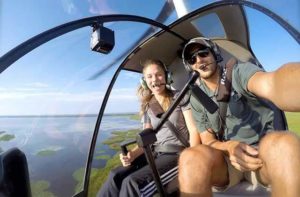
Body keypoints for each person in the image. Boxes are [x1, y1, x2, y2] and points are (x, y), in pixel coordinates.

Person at [178, 37, 300, 197]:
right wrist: (229, 147)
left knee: (284, 144)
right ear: (190, 67)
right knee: (190, 157)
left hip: (262, 153)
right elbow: (208, 140)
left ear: (214, 53)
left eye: (203, 53)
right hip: (228, 159)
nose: (199, 60)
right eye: (192, 59)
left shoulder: (238, 72)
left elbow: (274, 84)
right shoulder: (197, 98)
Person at [98, 59, 200, 197]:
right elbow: (147, 137)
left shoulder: (180, 97)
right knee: (115, 176)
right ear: (144, 81)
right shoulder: (148, 105)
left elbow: (194, 130)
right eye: (150, 76)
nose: (155, 80)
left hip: (177, 154)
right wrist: (132, 155)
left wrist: (192, 158)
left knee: (131, 184)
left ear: (166, 76)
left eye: (158, 75)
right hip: (155, 153)